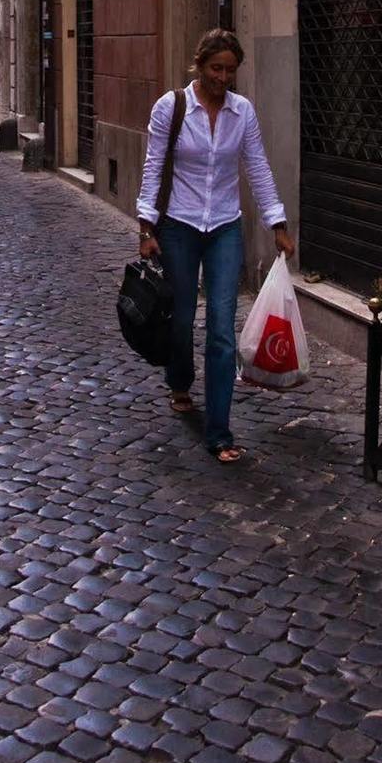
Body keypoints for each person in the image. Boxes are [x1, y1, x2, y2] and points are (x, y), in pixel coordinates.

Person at [135, 27, 296, 464]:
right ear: (200, 65)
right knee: (182, 318)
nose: (223, 77)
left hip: (225, 226)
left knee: (222, 328)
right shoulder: (172, 108)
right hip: (179, 226)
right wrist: (146, 225)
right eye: (216, 69)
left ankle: (219, 432)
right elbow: (153, 167)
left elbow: (257, 167)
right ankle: (180, 379)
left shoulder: (242, 113)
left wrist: (276, 222)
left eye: (230, 70)